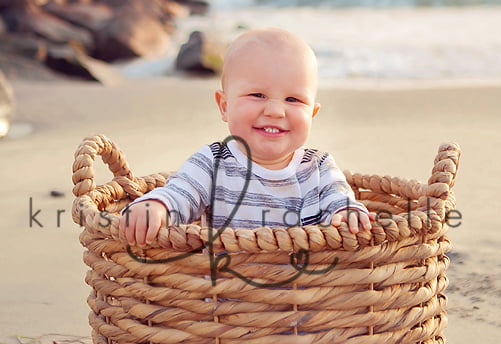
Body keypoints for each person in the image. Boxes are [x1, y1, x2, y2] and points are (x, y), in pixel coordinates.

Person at [119, 27, 373, 245]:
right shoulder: (212, 162)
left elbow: (339, 202)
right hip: (228, 296)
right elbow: (180, 193)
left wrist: (347, 213)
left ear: (312, 113)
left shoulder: (318, 167)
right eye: (257, 95)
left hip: (301, 296)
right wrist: (158, 206)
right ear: (225, 106)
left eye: (293, 99)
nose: (275, 111)